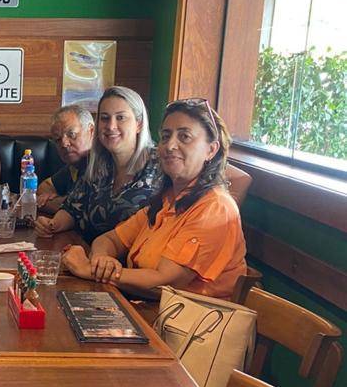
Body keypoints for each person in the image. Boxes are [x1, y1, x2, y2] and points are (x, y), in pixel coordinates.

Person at [62, 99, 246, 301]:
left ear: (211, 150)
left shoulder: (216, 207)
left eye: (184, 137)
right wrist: (100, 261)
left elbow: (166, 283)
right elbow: (109, 239)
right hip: (143, 310)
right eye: (166, 137)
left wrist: (89, 270)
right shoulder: (166, 200)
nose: (170, 145)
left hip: (187, 326)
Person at [36, 86, 160, 242]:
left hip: (133, 263)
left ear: (139, 123)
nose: (111, 126)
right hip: (86, 256)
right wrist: (52, 224)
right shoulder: (99, 163)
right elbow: (72, 209)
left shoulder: (159, 165)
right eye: (105, 118)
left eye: (120, 117)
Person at [37, 104, 95, 216]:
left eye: (71, 134)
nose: (64, 144)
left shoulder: (100, 164)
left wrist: (58, 203)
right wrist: (59, 200)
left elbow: (84, 208)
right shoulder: (75, 165)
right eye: (57, 139)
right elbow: (44, 187)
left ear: (91, 131)